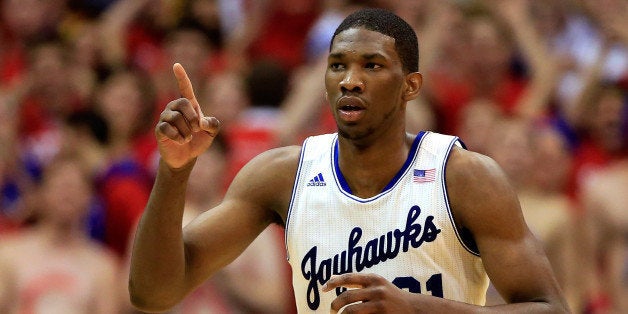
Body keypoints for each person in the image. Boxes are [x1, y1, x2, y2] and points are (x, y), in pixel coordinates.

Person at [129, 8, 569, 313]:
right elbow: (153, 293)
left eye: (372, 66)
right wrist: (174, 173)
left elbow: (550, 309)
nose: (350, 81)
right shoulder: (281, 175)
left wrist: (415, 308)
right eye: (338, 66)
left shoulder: (463, 176)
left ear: (410, 86)